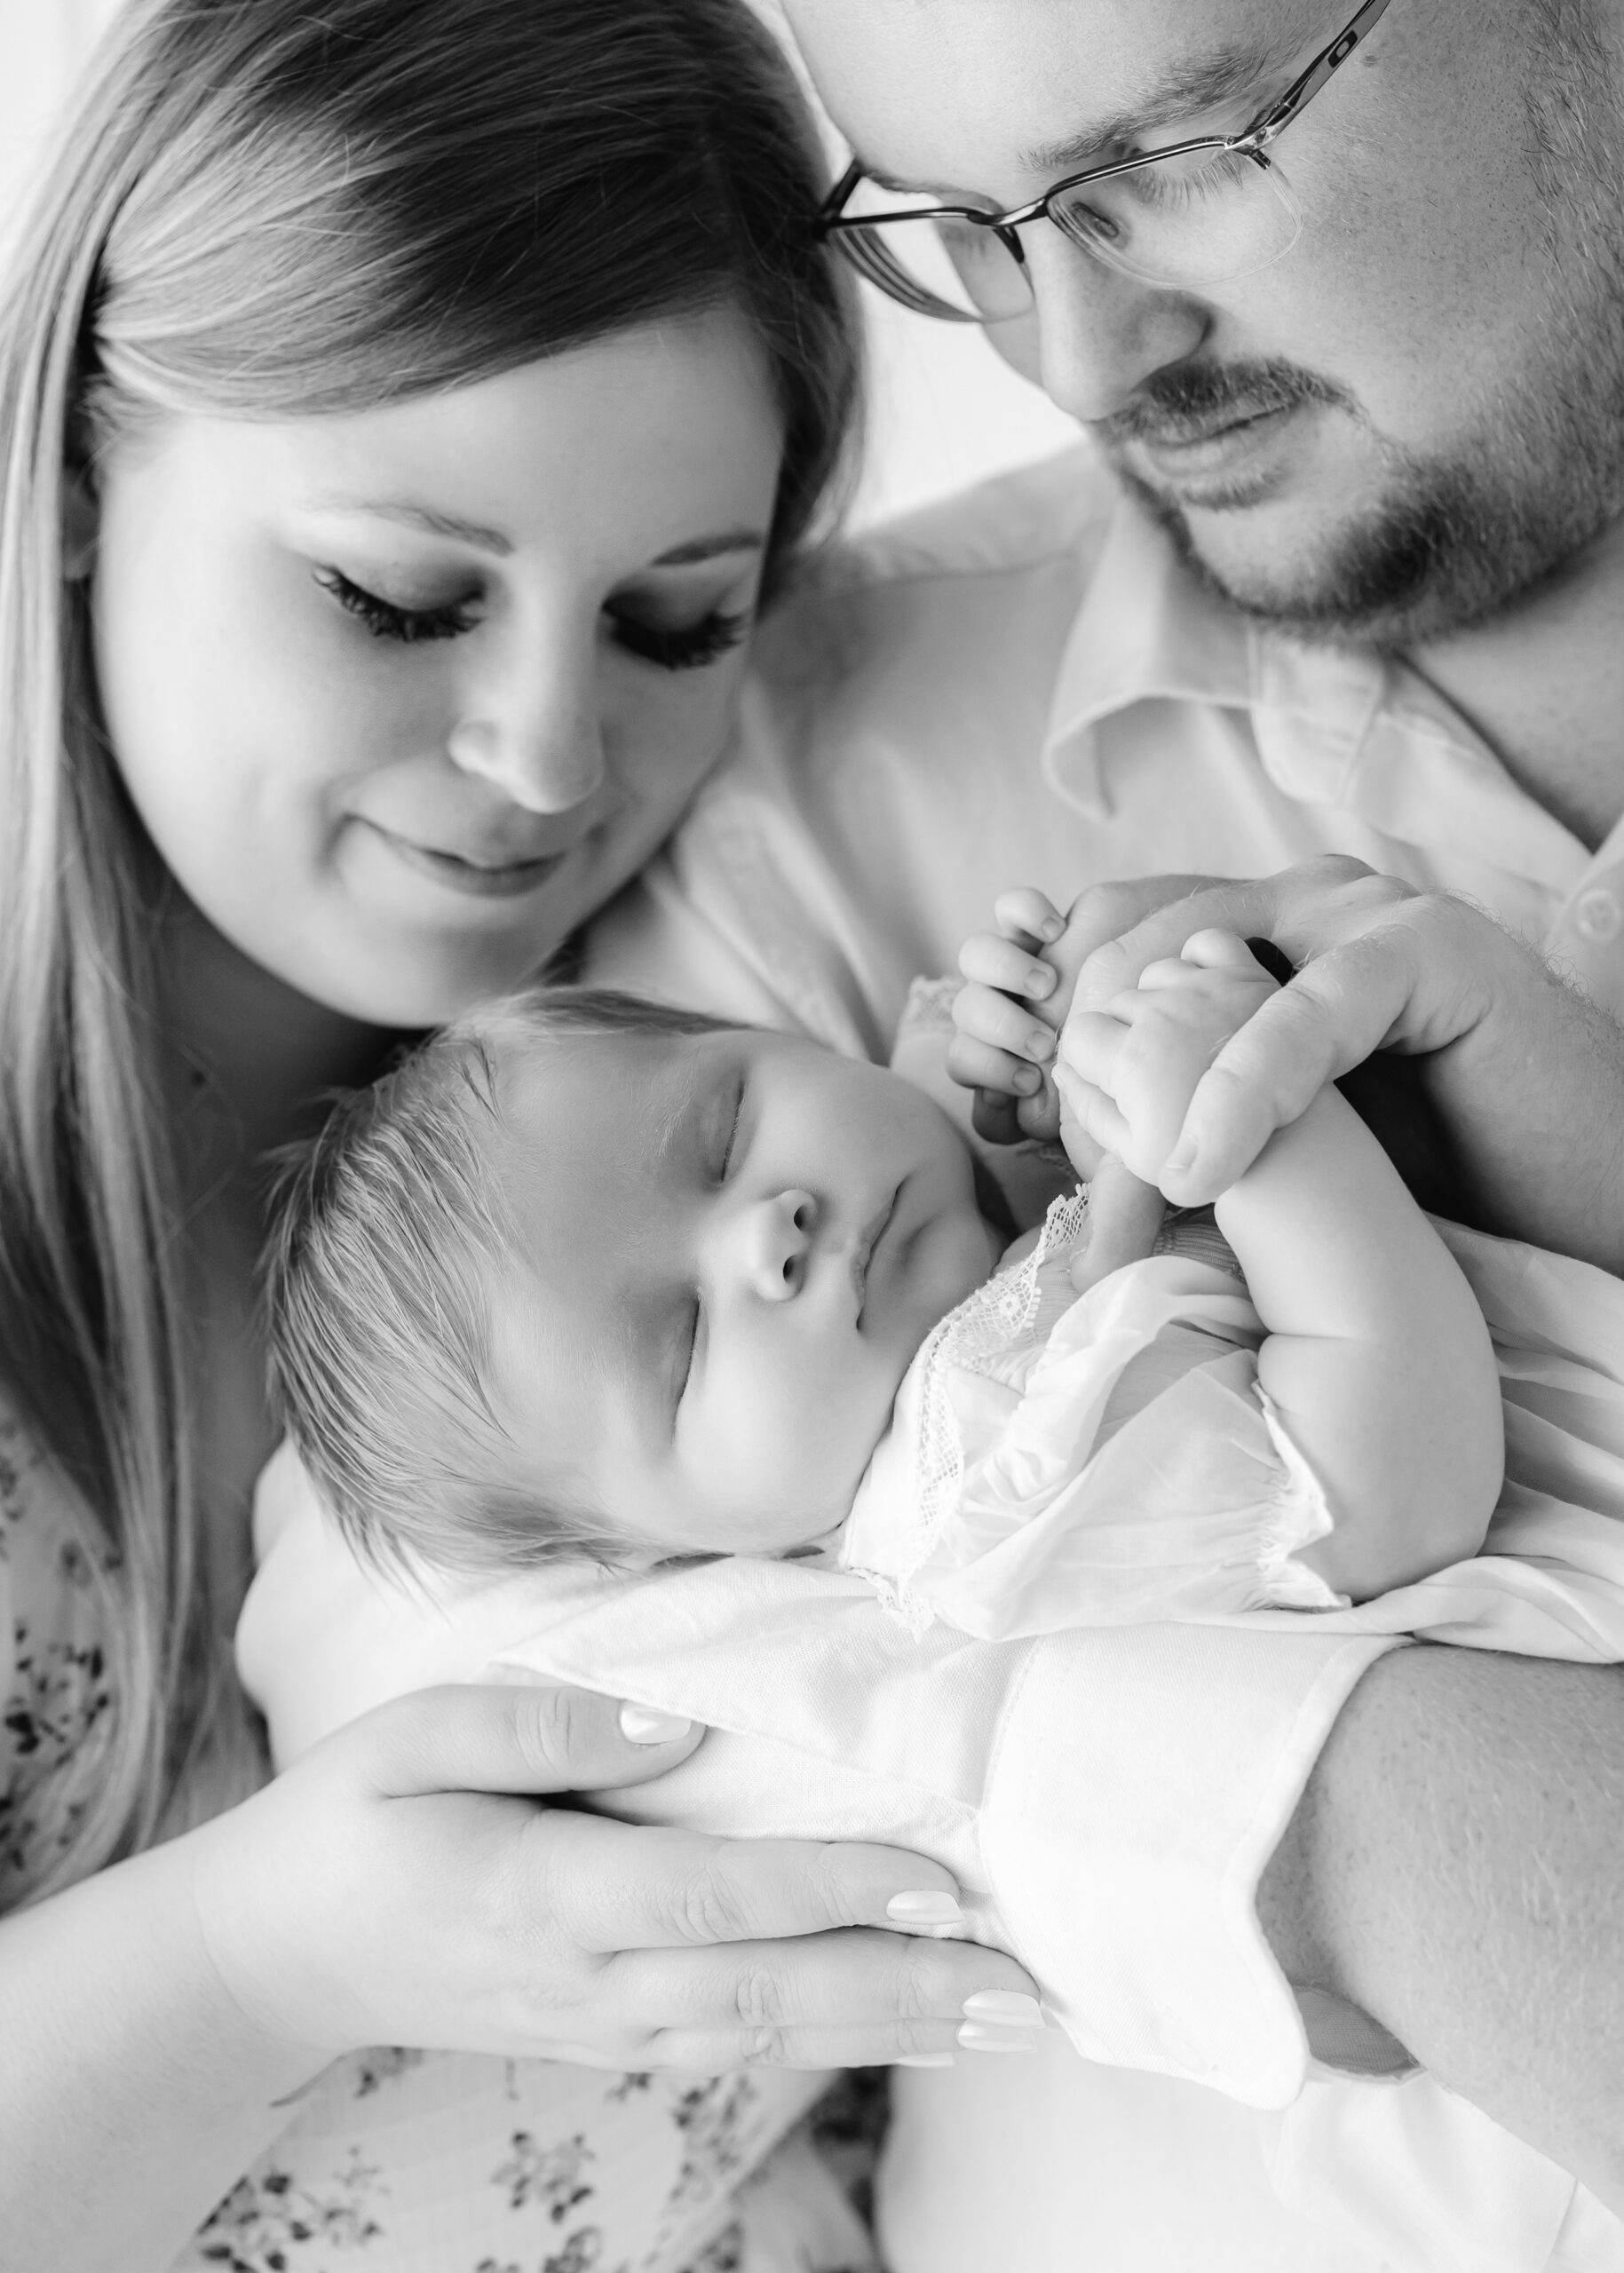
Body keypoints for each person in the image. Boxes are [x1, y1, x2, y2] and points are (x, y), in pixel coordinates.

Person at [227, 0, 1624, 2262]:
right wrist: (1348, 1806)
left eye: (1186, 147)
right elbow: (455, 1640)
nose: (1074, 348)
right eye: (958, 227)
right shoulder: (798, 784)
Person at [0, 4, 1048, 2269]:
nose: (555, 756)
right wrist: (252, 1955)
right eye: (400, 593)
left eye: (679, 621)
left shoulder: (789, 1068)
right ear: (81, 468)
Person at [263, 961, 1508, 1623]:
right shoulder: (973, 1483)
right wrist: (1253, 1119)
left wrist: (1046, 1021)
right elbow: (1394, 1492)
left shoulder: (946, 1174)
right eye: (685, 1342)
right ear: (670, 1554)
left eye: (726, 1125)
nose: (772, 1233)